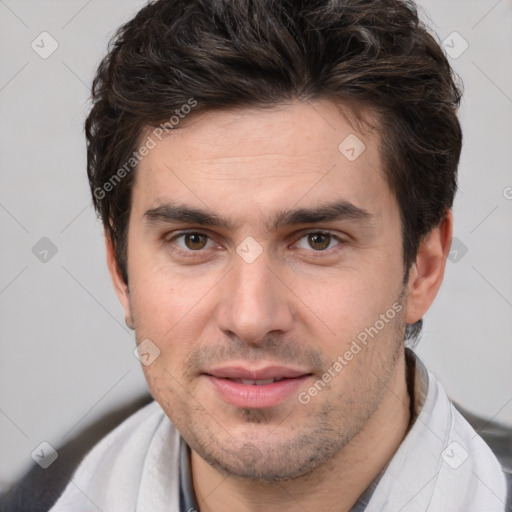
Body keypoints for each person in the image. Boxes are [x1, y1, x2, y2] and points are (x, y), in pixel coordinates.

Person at [47, 0, 510, 510]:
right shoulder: (40, 494)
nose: (250, 318)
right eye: (194, 240)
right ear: (121, 269)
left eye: (318, 240)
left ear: (423, 266)